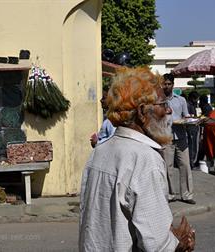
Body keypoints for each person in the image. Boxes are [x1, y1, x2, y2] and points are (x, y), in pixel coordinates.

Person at [79, 67, 195, 252]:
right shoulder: (145, 159)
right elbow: (157, 246)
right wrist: (180, 245)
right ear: (142, 112)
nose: (169, 110)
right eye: (163, 104)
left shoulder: (100, 151)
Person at [162, 73, 195, 205]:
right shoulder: (158, 101)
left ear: (173, 85)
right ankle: (170, 195)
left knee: (185, 166)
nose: (167, 86)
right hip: (166, 137)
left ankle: (187, 195)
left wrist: (191, 121)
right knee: (167, 167)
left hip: (181, 137)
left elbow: (186, 116)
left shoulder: (181, 100)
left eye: (169, 84)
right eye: (165, 84)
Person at [186, 91, 200, 169]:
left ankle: (192, 161)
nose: (197, 101)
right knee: (191, 146)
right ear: (193, 98)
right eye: (196, 99)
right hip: (191, 128)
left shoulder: (194, 105)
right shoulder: (188, 105)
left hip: (194, 127)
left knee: (194, 145)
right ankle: (191, 163)